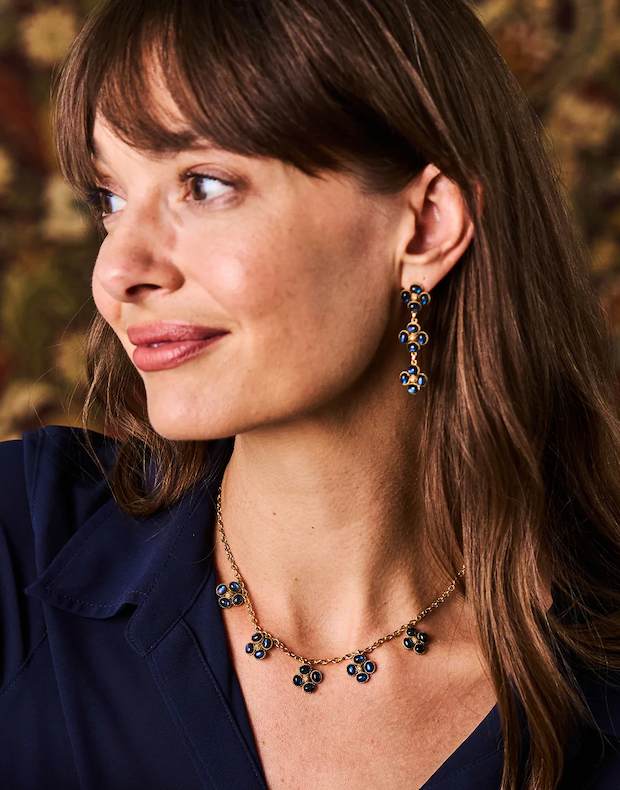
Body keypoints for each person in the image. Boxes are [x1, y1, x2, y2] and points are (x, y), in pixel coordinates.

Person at [2, 0, 620, 788]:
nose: (119, 272)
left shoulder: (598, 681)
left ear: (426, 226)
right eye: (109, 199)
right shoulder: (19, 542)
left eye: (206, 184)